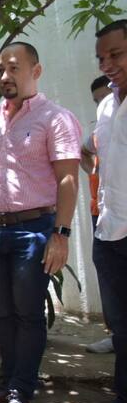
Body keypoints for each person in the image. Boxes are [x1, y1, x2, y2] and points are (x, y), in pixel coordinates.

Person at [0, 42, 81, 403]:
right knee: (5, 314)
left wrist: (60, 234)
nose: (5, 76)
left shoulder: (55, 118)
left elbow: (68, 178)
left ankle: (21, 392)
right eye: (0, 70)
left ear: (35, 71)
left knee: (28, 315)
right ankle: (8, 383)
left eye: (13, 68)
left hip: (34, 231)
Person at [74, 19, 127, 403]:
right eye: (101, 57)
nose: (107, 63)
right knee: (122, 332)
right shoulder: (107, 107)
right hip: (109, 231)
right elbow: (103, 166)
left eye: (116, 54)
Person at [81, 75, 115, 355]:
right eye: (97, 101)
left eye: (106, 97)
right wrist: (95, 171)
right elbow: (82, 151)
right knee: (108, 275)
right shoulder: (99, 132)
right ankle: (115, 334)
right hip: (100, 213)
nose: (102, 104)